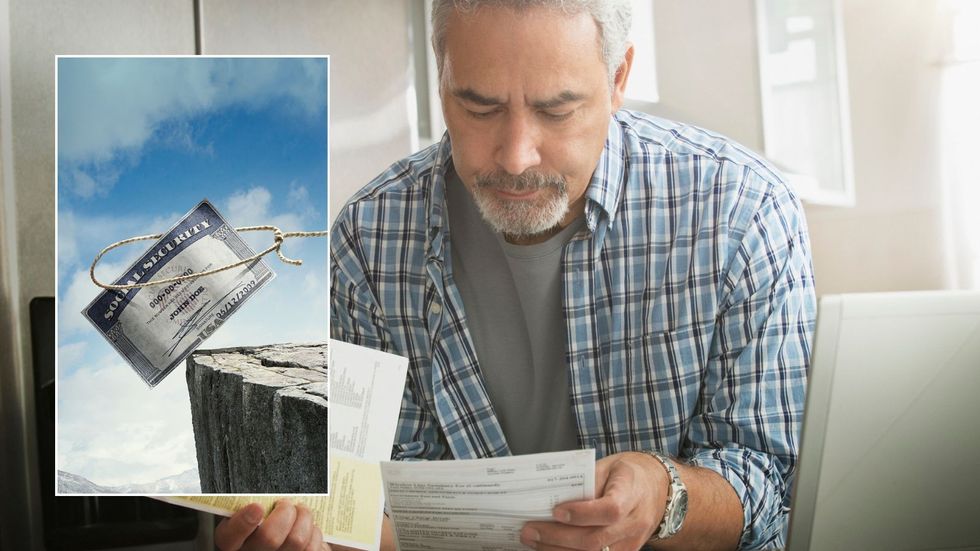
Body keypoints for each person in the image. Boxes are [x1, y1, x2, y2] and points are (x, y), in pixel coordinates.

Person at [217, 0, 815, 549]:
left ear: (618, 79)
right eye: (480, 108)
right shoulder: (369, 240)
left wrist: (666, 495)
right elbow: (382, 505)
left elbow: (773, 489)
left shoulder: (742, 213)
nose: (515, 155)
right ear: (441, 77)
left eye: (556, 111)